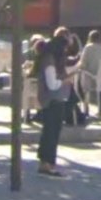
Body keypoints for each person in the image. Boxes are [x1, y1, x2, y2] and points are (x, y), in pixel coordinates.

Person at [33, 38, 65, 177]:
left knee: (49, 131)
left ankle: (46, 162)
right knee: (51, 132)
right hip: (52, 100)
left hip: (49, 101)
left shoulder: (46, 59)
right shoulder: (50, 62)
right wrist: (65, 80)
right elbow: (52, 84)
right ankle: (47, 163)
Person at [75, 29, 101, 119]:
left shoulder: (88, 47)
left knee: (78, 78)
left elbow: (83, 63)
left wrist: (76, 67)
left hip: (91, 77)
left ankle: (85, 107)